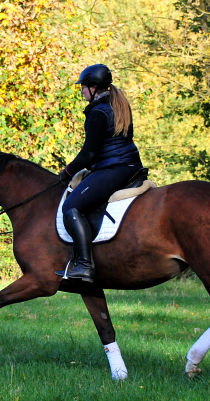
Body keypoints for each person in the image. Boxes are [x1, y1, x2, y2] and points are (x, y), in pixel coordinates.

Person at [55, 64, 144, 283]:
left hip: (113, 169)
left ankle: (85, 266)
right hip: (130, 165)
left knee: (71, 207)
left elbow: (90, 153)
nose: (82, 92)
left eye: (83, 87)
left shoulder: (97, 112)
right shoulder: (117, 104)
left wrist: (68, 171)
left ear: (93, 88)